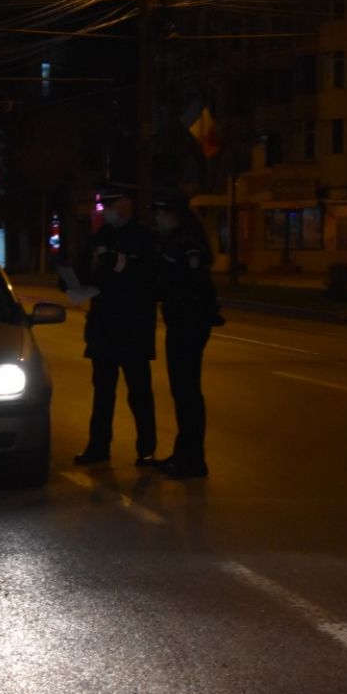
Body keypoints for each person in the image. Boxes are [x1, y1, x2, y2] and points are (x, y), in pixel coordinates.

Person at [69, 188, 158, 466]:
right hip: (105, 326)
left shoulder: (144, 237)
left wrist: (121, 265)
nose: (106, 210)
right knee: (103, 393)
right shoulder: (100, 237)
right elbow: (85, 274)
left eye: (111, 204)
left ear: (126, 204)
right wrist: (72, 280)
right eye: (104, 205)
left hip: (133, 327)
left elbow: (151, 279)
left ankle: (147, 449)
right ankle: (98, 446)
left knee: (139, 393)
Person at [151, 190, 223, 479]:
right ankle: (185, 455)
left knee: (187, 393)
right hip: (183, 323)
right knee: (183, 392)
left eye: (159, 213)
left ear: (172, 214)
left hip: (187, 325)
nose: (156, 218)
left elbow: (192, 284)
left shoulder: (186, 243)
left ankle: (192, 460)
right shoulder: (177, 240)